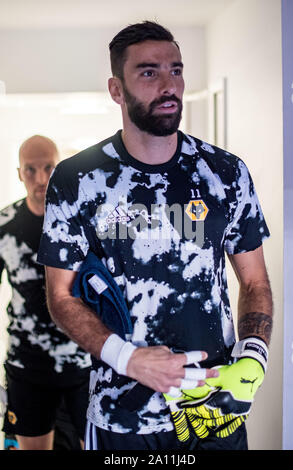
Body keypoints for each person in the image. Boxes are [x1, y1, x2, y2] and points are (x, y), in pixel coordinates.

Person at [37, 21, 273, 451]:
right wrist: (129, 360)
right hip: (122, 416)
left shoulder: (225, 173)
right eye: (149, 72)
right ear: (116, 89)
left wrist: (254, 355)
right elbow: (60, 296)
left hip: (214, 408)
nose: (169, 85)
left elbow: (255, 280)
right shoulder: (78, 179)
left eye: (176, 70)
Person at [0, 135, 91, 450]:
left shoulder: (83, 224)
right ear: (19, 174)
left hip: (84, 360)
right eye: (30, 170)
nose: (40, 179)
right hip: (27, 364)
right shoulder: (4, 226)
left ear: (59, 167)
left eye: (49, 167)